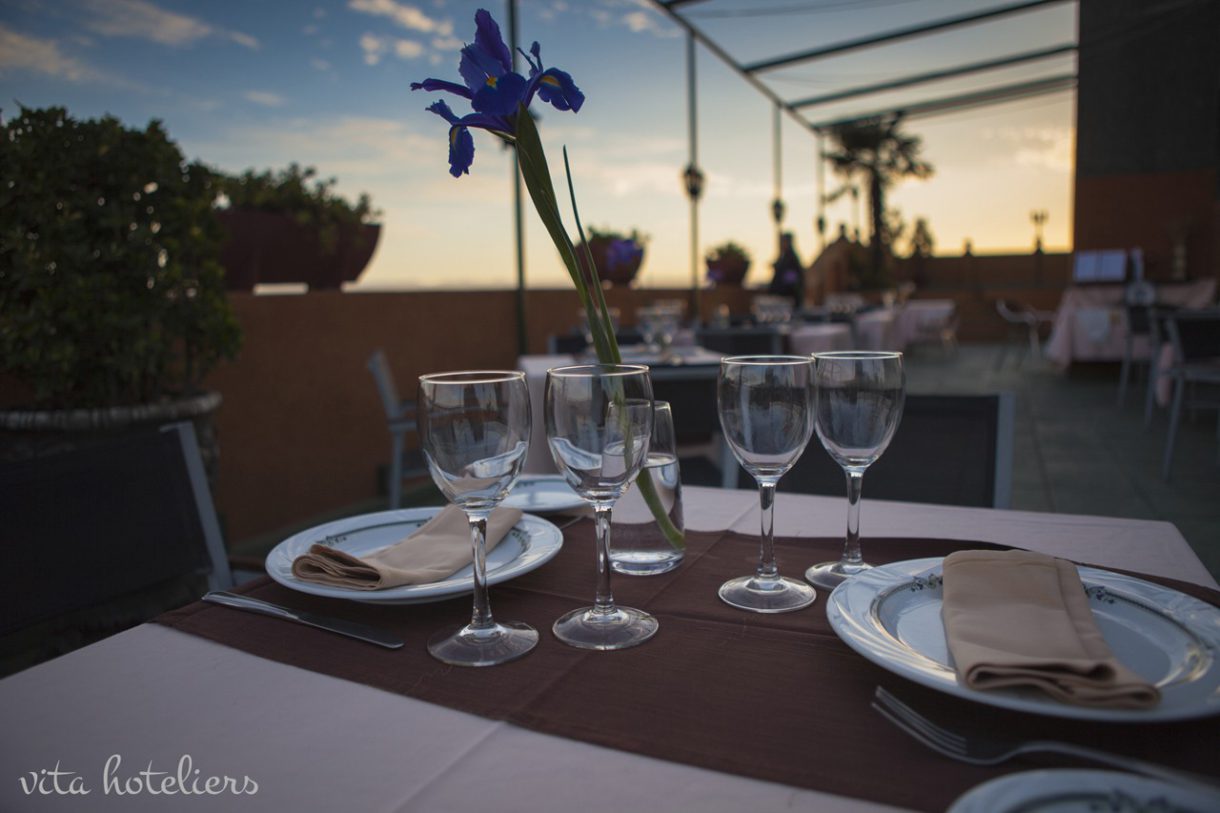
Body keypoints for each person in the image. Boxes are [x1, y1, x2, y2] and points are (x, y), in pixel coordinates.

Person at [769, 232, 804, 308]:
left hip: (788, 301)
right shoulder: (785, 257)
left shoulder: (791, 258)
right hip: (784, 299)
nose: (781, 244)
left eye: (783, 241)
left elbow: (792, 279)